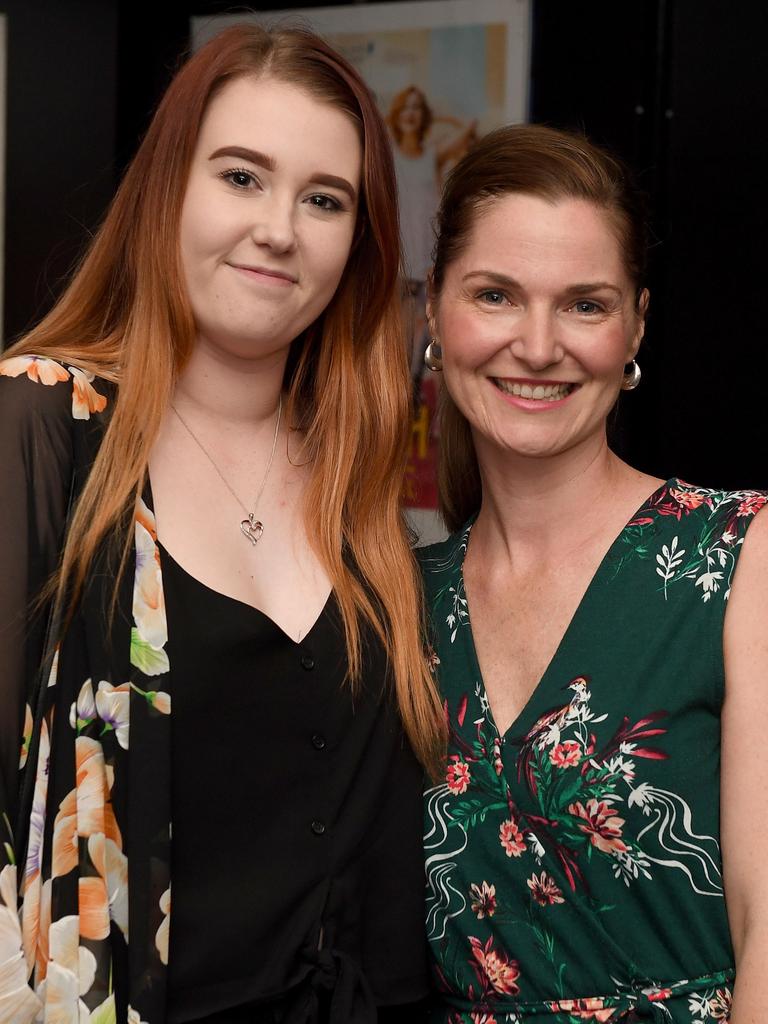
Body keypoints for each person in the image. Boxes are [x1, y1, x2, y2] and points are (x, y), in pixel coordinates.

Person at [0, 24, 445, 1024]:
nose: (280, 228)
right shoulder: (40, 427)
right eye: (242, 178)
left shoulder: (362, 491)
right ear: (169, 190)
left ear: (358, 244)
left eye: (324, 199)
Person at [418, 124, 768, 1022]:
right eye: (496, 295)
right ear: (434, 312)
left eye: (584, 304)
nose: (537, 347)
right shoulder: (399, 597)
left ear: (636, 326)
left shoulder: (739, 556)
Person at [386, 86, 476, 387]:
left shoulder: (431, 157)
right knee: (395, 346)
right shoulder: (387, 156)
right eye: (406, 107)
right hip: (396, 268)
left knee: (423, 344)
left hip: (425, 265)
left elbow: (467, 131)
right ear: (398, 114)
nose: (411, 114)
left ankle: (412, 406)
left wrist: (445, 117)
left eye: (417, 108)